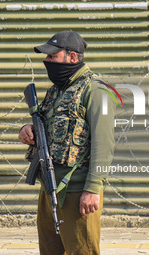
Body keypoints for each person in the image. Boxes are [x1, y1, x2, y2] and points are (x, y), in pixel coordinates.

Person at [19, 30, 115, 255]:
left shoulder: (95, 90)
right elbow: (46, 125)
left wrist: (92, 188)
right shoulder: (56, 91)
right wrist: (26, 130)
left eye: (52, 56)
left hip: (77, 192)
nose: (46, 61)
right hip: (49, 188)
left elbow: (104, 143)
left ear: (72, 57)